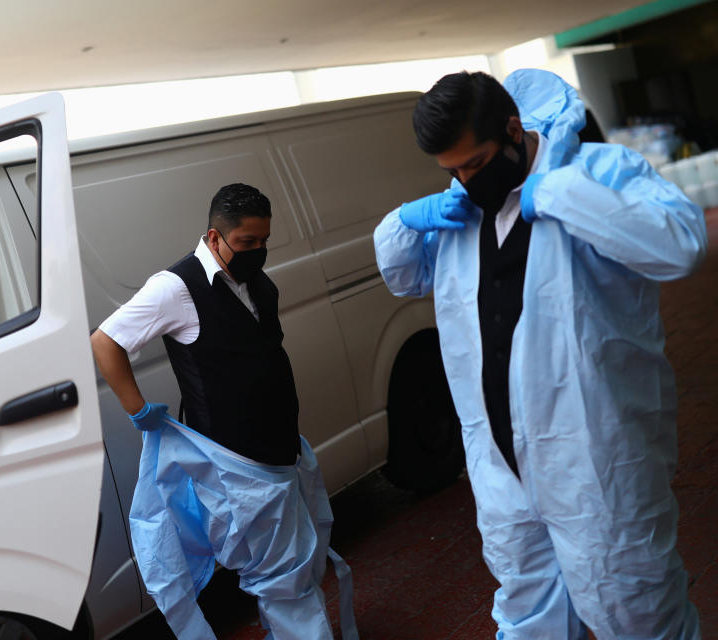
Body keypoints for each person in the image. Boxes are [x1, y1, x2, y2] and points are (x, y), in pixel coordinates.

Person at [374, 68, 705, 639]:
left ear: (512, 128)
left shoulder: (599, 173)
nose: (463, 180)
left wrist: (561, 194)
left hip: (596, 458)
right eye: (450, 170)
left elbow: (679, 245)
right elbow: (403, 276)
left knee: (635, 608)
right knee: (529, 609)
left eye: (473, 163)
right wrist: (404, 221)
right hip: (499, 461)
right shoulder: (460, 213)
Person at [90, 183, 357, 640]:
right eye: (247, 243)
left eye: (264, 241)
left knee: (294, 565)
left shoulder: (252, 280)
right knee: (283, 577)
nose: (258, 251)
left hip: (282, 453)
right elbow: (105, 341)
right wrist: (137, 411)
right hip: (238, 468)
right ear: (215, 237)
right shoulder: (175, 288)